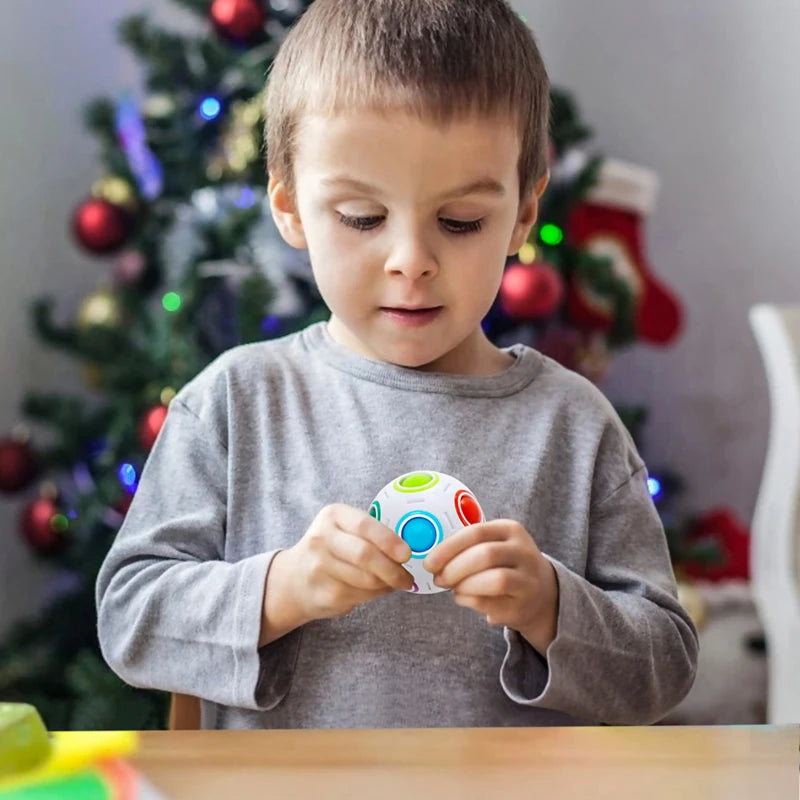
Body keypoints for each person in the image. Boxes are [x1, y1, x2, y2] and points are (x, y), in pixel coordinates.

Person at [96, 0, 698, 730]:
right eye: (361, 218)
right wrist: (282, 589)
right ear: (289, 207)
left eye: (460, 222)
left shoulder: (572, 425)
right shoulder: (235, 404)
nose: (411, 261)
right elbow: (130, 620)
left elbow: (664, 667)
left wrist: (549, 605)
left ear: (521, 213)